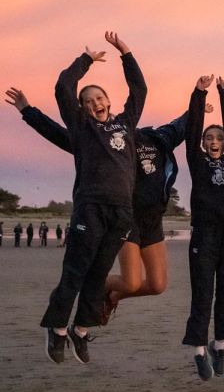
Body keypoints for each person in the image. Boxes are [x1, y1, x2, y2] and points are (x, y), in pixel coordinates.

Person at [5, 86, 193, 323]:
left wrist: (199, 101)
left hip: (153, 220)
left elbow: (181, 125)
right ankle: (86, 287)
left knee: (157, 285)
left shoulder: (157, 138)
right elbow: (59, 134)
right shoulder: (98, 141)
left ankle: (110, 296)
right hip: (127, 217)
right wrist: (28, 111)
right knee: (131, 281)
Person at [39, 32, 146, 364]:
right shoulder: (82, 129)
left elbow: (139, 90)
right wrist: (85, 61)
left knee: (99, 273)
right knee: (76, 270)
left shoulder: (126, 125)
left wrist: (126, 52)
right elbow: (62, 87)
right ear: (83, 109)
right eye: (88, 101)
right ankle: (57, 330)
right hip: (91, 207)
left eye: (99, 98)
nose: (95, 103)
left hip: (122, 211)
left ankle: (81, 330)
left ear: (108, 102)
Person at [181, 75, 224, 380]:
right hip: (203, 235)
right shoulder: (196, 160)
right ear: (204, 145)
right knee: (202, 293)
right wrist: (199, 93)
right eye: (210, 139)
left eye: (219, 139)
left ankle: (219, 346)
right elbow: (193, 127)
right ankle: (198, 351)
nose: (215, 142)